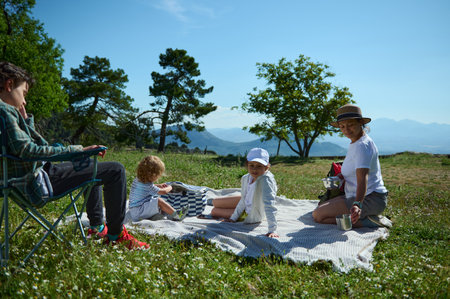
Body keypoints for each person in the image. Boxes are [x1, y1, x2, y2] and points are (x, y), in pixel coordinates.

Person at [0, 61, 149, 250]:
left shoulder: (6, 115)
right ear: (9, 85)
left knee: (86, 160)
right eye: (24, 93)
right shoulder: (4, 111)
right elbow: (29, 151)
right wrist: (77, 150)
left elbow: (30, 148)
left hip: (17, 182)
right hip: (37, 182)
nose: (24, 101)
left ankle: (96, 226)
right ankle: (116, 235)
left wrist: (27, 122)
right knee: (116, 170)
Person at [312, 104, 391, 228]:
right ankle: (363, 217)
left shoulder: (362, 146)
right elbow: (355, 169)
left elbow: (362, 178)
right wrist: (341, 176)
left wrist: (357, 204)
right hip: (356, 195)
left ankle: (372, 221)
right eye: (342, 126)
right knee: (320, 209)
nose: (346, 130)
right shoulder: (356, 142)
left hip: (371, 199)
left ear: (360, 123)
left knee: (318, 216)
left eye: (350, 125)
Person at [212, 148, 279, 238]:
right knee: (215, 202)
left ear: (267, 167)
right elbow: (243, 198)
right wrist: (233, 217)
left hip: (251, 214)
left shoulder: (266, 180)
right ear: (247, 165)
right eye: (251, 165)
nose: (254, 169)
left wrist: (272, 230)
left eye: (259, 166)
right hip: (247, 202)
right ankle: (232, 210)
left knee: (214, 211)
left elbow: (269, 203)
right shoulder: (246, 178)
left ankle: (235, 213)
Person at [128, 155, 188, 222]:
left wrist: (159, 185)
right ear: (152, 175)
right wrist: (171, 187)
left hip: (135, 210)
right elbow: (163, 192)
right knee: (158, 201)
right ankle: (177, 215)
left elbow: (147, 188)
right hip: (139, 212)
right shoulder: (147, 186)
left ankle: (159, 216)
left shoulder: (138, 180)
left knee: (154, 200)